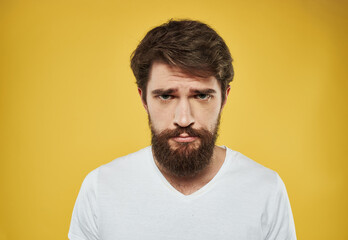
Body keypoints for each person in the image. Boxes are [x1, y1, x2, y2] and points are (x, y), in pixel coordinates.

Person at [68, 19, 297, 240]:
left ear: (224, 98)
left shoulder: (266, 189)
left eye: (201, 95)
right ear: (144, 99)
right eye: (166, 96)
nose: (184, 119)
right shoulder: (100, 188)